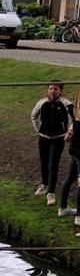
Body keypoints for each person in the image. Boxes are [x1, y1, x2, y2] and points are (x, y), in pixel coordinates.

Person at [31, 80, 74, 206]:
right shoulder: (42, 102)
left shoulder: (66, 104)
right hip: (43, 137)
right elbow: (34, 115)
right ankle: (44, 184)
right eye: (50, 89)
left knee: (53, 165)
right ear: (48, 90)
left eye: (55, 89)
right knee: (43, 162)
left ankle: (51, 193)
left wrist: (69, 132)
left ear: (61, 90)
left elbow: (75, 119)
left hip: (58, 138)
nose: (53, 91)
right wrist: (39, 129)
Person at [58, 89, 80, 217]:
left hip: (74, 151)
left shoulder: (77, 115)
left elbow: (72, 128)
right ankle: (79, 216)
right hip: (79, 153)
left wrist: (70, 133)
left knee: (70, 177)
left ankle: (63, 208)